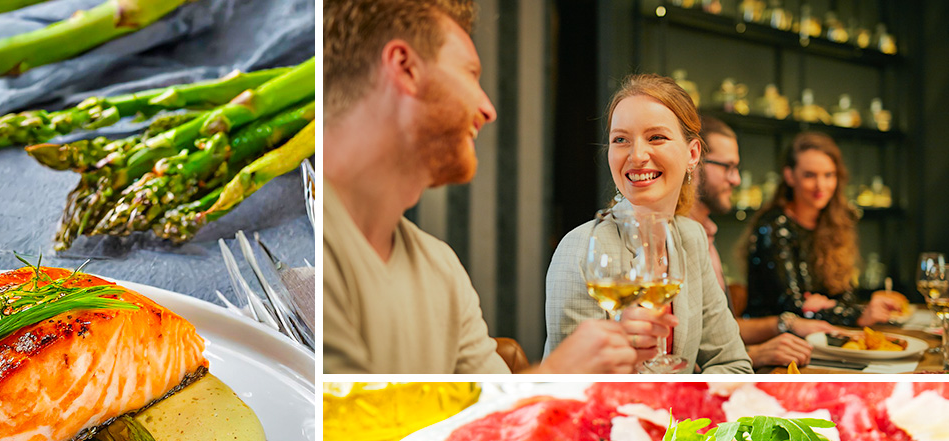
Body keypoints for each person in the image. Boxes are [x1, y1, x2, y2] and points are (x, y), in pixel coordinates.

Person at [322, 0, 638, 374]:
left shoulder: (441, 268)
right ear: (405, 67)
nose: (489, 109)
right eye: (470, 73)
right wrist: (556, 377)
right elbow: (348, 430)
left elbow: (493, 411)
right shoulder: (324, 244)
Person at [544, 74, 752, 373]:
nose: (637, 155)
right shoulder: (580, 249)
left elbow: (732, 364)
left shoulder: (691, 237)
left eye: (656, 137)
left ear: (693, 154)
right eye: (621, 140)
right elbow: (573, 386)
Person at [687, 117, 834, 369]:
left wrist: (787, 323)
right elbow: (678, 354)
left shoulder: (706, 232)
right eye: (727, 167)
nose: (736, 180)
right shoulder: (675, 236)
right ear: (692, 161)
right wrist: (755, 353)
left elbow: (719, 330)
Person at [743, 131, 905, 326]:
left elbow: (846, 297)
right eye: (810, 175)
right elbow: (792, 307)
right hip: (774, 344)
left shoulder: (835, 224)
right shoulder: (774, 225)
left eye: (829, 175)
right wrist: (854, 314)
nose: (821, 185)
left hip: (821, 338)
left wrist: (827, 305)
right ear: (789, 176)